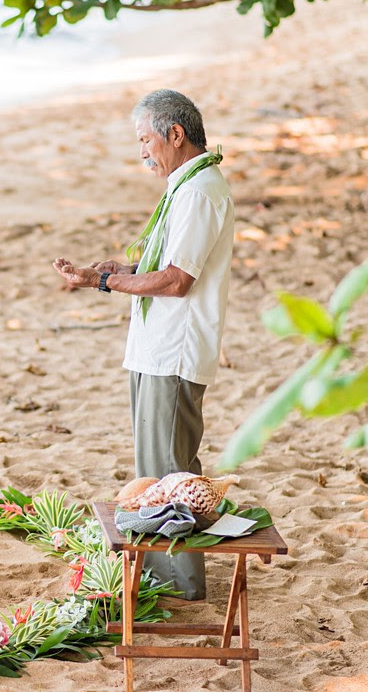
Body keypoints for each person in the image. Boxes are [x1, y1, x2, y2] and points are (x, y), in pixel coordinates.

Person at [52, 89, 234, 601]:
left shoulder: (199, 192)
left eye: (145, 140)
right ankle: (165, 577)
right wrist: (118, 270)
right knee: (157, 469)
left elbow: (178, 280)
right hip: (159, 348)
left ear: (175, 135)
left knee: (168, 474)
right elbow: (167, 265)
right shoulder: (188, 186)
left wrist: (103, 285)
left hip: (173, 350)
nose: (142, 154)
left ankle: (178, 588)